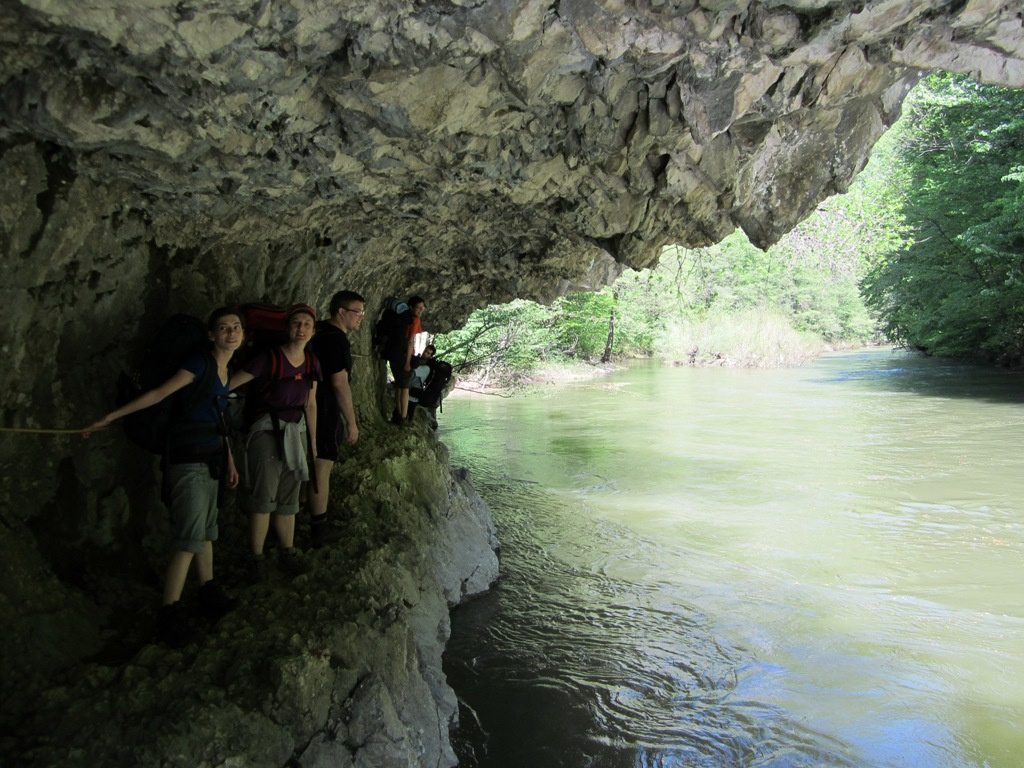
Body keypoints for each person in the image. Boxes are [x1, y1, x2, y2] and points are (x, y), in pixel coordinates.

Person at [84, 307, 243, 647]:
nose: (231, 332)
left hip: (212, 458)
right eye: (223, 328)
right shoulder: (199, 365)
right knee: (189, 538)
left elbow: (220, 420)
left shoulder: (224, 371)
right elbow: (159, 394)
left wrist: (229, 460)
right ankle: (168, 613)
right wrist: (110, 417)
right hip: (188, 461)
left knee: (206, 531)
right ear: (211, 335)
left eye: (236, 327)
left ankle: (208, 592)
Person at [229, 303, 321, 579]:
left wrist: (313, 443)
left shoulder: (311, 362)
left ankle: (286, 552)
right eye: (296, 324)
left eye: (306, 325)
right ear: (287, 328)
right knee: (263, 497)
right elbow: (230, 384)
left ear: (313, 331)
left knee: (288, 498)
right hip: (266, 431)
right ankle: (256, 558)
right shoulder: (267, 359)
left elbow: (311, 404)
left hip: (296, 432)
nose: (301, 329)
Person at [308, 290, 364, 548]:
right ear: (342, 312)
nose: (361, 317)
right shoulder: (336, 340)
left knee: (310, 462)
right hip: (325, 410)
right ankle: (318, 527)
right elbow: (340, 383)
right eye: (357, 312)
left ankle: (298, 514)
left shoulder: (317, 331)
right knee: (322, 465)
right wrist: (351, 422)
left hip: (306, 407)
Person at [388, 295, 426, 424]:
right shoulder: (414, 320)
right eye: (418, 308)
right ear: (411, 307)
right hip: (404, 357)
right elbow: (410, 341)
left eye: (422, 308)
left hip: (393, 355)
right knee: (405, 388)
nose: (420, 311)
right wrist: (408, 362)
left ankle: (398, 414)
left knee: (399, 385)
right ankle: (403, 418)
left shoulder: (400, 317)